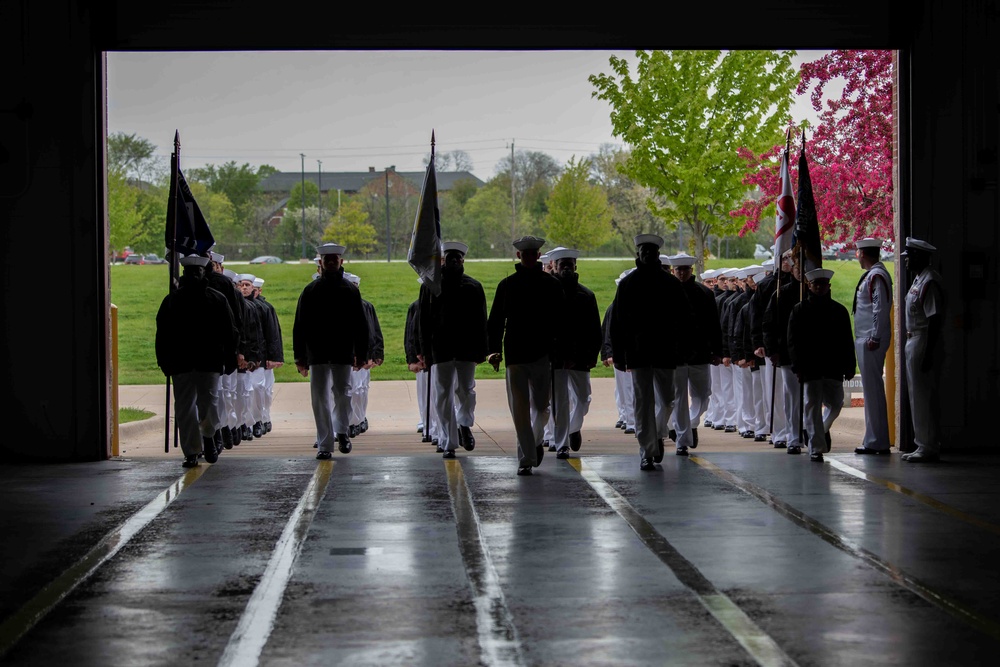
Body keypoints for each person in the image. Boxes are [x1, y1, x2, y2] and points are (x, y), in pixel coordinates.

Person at [610, 234, 692, 470]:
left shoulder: (671, 284)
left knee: (667, 401)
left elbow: (685, 319)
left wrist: (683, 348)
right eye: (643, 251)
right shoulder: (628, 284)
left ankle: (657, 433)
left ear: (657, 255)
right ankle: (646, 449)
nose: (647, 255)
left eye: (651, 252)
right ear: (638, 254)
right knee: (642, 403)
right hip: (638, 352)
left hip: (665, 351)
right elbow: (618, 322)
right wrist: (619, 353)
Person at [486, 235, 566, 476]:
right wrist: (493, 350)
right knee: (519, 409)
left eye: (534, 253)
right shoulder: (507, 285)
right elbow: (496, 321)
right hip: (515, 354)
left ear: (539, 255)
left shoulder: (552, 285)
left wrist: (560, 351)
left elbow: (561, 322)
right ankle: (526, 458)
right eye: (526, 254)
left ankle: (534, 440)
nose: (530, 257)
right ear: (519, 256)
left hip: (542, 353)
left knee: (542, 407)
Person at [155, 254, 238, 468]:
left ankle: (209, 436)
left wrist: (230, 358)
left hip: (208, 361)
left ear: (204, 272)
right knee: (185, 409)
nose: (193, 275)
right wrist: (164, 360)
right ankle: (191, 450)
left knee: (209, 404)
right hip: (181, 362)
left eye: (197, 271)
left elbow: (229, 331)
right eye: (190, 272)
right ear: (184, 274)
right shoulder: (172, 300)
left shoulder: (217, 299)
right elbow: (162, 333)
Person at [293, 242, 370, 460]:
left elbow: (360, 325)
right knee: (319, 398)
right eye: (327, 260)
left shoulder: (350, 291)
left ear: (341, 262)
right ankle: (325, 443)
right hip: (317, 353)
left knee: (343, 394)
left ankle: (342, 431)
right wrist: (300, 357)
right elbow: (300, 326)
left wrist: (361, 353)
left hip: (342, 351)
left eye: (334, 259)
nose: (331, 263)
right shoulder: (310, 291)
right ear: (321, 263)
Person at [418, 241, 489, 459]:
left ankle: (464, 424)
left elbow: (480, 321)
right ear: (443, 260)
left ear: (463, 260)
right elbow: (423, 321)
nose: (454, 261)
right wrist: (424, 351)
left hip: (466, 348)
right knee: (442, 395)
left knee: (466, 390)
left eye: (458, 258)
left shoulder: (473, 286)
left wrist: (482, 350)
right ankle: (449, 441)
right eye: (450, 258)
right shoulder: (430, 286)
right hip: (441, 348)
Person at [787, 268, 857, 462]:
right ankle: (816, 447)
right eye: (815, 284)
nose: (819, 288)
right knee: (812, 405)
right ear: (809, 285)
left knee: (836, 403)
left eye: (823, 285)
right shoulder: (799, 310)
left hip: (833, 366)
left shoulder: (839, 311)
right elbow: (793, 342)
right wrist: (797, 366)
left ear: (829, 286)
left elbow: (846, 341)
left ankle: (821, 430)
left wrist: (849, 365)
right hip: (810, 367)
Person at [549, 247, 602, 459]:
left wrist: (589, 357)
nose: (566, 268)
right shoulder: (548, 294)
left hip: (580, 358)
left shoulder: (586, 295)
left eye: (569, 264)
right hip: (556, 358)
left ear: (575, 266)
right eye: (562, 264)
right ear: (554, 266)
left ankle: (573, 427)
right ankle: (562, 444)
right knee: (559, 403)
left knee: (582, 399)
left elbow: (594, 331)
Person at [667, 253, 722, 454]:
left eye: (685, 269)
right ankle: (682, 440)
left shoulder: (704, 293)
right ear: (673, 271)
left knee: (702, 395)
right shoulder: (666, 292)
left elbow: (714, 325)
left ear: (691, 271)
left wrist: (717, 351)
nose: (682, 273)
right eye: (678, 270)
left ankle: (689, 424)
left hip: (700, 352)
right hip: (676, 354)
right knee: (679, 398)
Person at [901, 237, 946, 463]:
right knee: (916, 395)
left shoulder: (930, 281)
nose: (906, 261)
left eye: (909, 257)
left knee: (923, 395)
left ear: (919, 257)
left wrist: (929, 352)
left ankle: (927, 445)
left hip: (923, 339)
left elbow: (935, 318)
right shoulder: (919, 279)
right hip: (914, 340)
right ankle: (923, 442)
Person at [852, 237, 894, 455]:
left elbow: (880, 308)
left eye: (858, 253)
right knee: (871, 391)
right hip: (866, 338)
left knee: (874, 392)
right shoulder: (874, 274)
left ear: (863, 254)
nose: (857, 257)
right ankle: (874, 438)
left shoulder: (877, 276)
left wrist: (875, 337)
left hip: (870, 340)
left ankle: (877, 440)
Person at [763, 249, 805, 454]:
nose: (800, 272)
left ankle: (809, 431)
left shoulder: (812, 292)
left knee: (811, 398)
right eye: (797, 267)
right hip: (787, 353)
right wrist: (772, 350)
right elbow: (769, 324)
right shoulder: (781, 293)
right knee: (792, 396)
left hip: (809, 354)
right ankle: (793, 437)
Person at [205, 250, 244, 449]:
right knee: (217, 393)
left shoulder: (225, 287)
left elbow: (236, 320)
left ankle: (224, 428)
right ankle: (217, 430)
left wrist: (237, 349)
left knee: (223, 392)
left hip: (221, 348)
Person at [751, 255, 789, 448]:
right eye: (785, 258)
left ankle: (796, 431)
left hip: (794, 346)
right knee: (775, 391)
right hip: (772, 345)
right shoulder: (767, 286)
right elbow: (757, 316)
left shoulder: (802, 284)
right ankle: (780, 432)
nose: (788, 262)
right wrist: (758, 342)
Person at [252, 277, 284, 435]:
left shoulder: (266, 308)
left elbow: (273, 334)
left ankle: (264, 417)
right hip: (253, 356)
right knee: (251, 390)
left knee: (264, 390)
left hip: (264, 357)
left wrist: (274, 357)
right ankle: (255, 420)